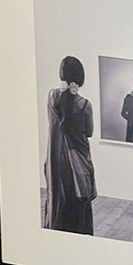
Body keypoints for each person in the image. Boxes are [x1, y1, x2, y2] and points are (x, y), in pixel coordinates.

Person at [43, 56, 96, 234]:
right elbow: (89, 132)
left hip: (55, 160)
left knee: (57, 198)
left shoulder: (51, 97)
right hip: (76, 161)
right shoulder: (84, 104)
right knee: (78, 201)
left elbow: (54, 125)